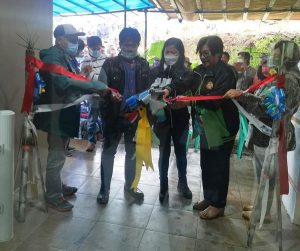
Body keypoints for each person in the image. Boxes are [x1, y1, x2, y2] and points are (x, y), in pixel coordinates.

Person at [33, 24, 112, 212]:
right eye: (72, 38)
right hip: (56, 115)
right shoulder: (53, 56)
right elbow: (64, 83)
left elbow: (71, 79)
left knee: (60, 153)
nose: (75, 42)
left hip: (66, 113)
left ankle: (58, 186)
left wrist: (83, 76)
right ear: (59, 39)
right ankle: (53, 195)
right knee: (57, 155)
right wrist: (95, 86)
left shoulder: (66, 57)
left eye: (76, 38)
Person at [163, 35, 239, 219]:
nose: (203, 57)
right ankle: (209, 197)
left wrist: (188, 102)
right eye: (201, 53)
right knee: (206, 163)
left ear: (218, 53)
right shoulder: (198, 72)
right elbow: (183, 82)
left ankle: (218, 204)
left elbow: (216, 100)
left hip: (222, 126)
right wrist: (170, 90)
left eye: (206, 53)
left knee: (219, 164)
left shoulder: (226, 73)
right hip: (204, 125)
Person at [224, 40, 300, 222]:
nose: (270, 58)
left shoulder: (288, 80)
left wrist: (242, 96)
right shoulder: (281, 76)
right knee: (262, 175)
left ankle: (263, 213)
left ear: (285, 56)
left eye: (274, 54)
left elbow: (269, 107)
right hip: (264, 133)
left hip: (272, 135)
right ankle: (260, 205)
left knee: (267, 176)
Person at [97, 27, 151, 204]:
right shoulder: (109, 63)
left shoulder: (144, 64)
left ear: (137, 45)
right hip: (113, 115)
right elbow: (100, 87)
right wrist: (109, 94)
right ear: (120, 44)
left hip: (136, 116)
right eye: (126, 43)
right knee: (108, 152)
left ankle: (131, 185)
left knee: (132, 152)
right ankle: (104, 189)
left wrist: (141, 99)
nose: (130, 47)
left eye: (133, 43)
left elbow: (150, 90)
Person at [150, 38, 192, 203]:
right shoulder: (155, 72)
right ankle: (163, 186)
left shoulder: (187, 73)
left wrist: (185, 101)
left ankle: (183, 183)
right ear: (163, 52)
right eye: (168, 51)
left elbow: (192, 96)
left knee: (181, 152)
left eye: (174, 52)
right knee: (163, 152)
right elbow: (148, 92)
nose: (170, 55)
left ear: (180, 54)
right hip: (161, 119)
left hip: (180, 118)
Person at [81, 36, 107, 152]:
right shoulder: (84, 61)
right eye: (93, 48)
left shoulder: (106, 59)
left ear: (101, 46)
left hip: (105, 94)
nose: (96, 50)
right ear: (89, 47)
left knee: (105, 118)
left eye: (98, 47)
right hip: (92, 95)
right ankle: (91, 142)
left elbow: (108, 76)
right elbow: (82, 77)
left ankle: (106, 140)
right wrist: (86, 72)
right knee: (92, 119)